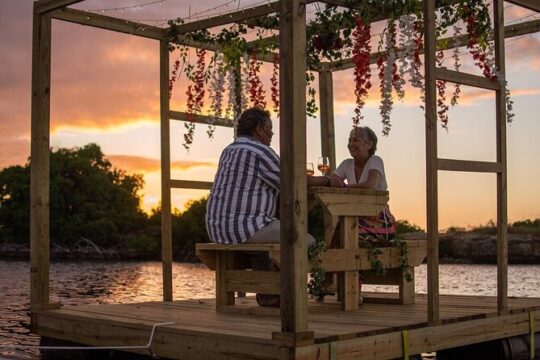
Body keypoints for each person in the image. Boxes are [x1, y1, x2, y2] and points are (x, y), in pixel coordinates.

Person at [205, 107, 328, 305]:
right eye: (270, 129)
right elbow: (294, 180)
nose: (272, 134)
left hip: (217, 229)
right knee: (308, 241)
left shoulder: (228, 150)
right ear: (259, 129)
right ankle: (296, 295)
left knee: (270, 239)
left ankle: (269, 294)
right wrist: (328, 181)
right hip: (245, 228)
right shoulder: (261, 151)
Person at [325, 126, 397, 303]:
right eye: (350, 140)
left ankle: (341, 285)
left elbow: (369, 185)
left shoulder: (375, 161)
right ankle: (343, 286)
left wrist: (343, 186)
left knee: (349, 235)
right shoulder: (346, 164)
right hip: (356, 219)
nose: (351, 144)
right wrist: (334, 181)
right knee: (345, 230)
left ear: (369, 144)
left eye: (355, 140)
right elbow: (333, 180)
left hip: (380, 221)